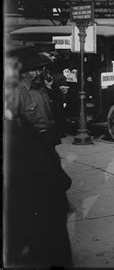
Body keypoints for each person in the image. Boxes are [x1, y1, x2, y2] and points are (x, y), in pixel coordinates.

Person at [4, 47, 73, 267]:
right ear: (24, 72)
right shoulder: (18, 92)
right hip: (32, 144)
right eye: (35, 70)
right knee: (45, 182)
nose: (39, 73)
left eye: (41, 69)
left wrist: (55, 92)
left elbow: (55, 114)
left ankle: (57, 202)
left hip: (48, 139)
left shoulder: (42, 89)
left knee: (54, 173)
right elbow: (12, 122)